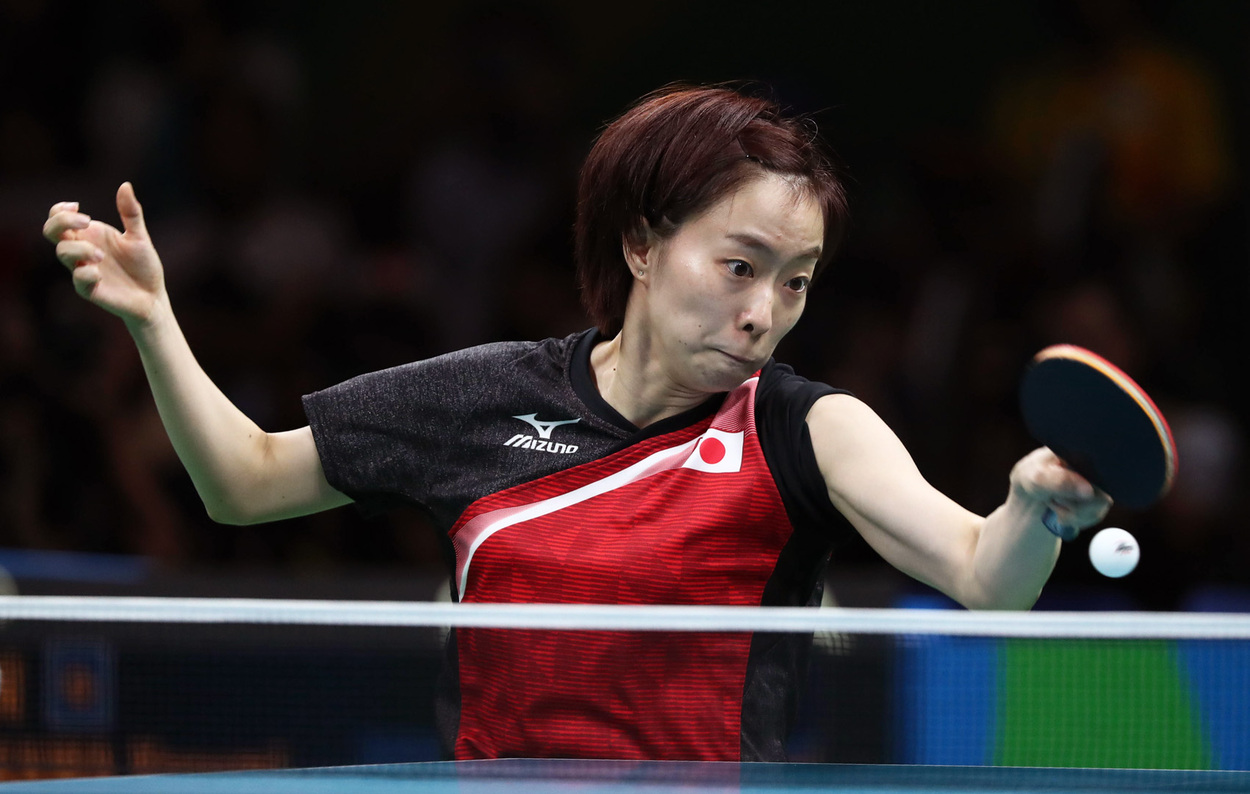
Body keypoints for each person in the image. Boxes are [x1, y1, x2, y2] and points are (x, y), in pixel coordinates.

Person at [42, 83, 1110, 762]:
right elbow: (245, 482)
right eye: (738, 266)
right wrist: (154, 320)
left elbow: (981, 574)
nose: (762, 312)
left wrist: (1031, 506)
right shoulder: (479, 396)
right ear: (643, 245)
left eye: (795, 281)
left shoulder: (806, 429)